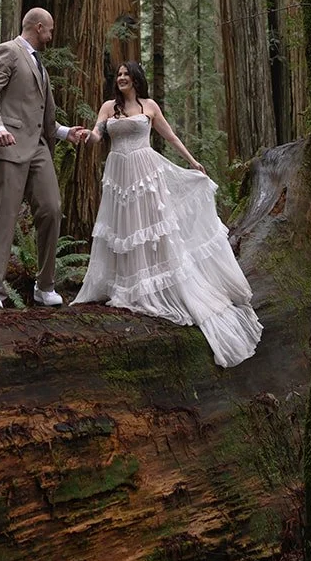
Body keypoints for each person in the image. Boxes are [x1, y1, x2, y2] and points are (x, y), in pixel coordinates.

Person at [72, 62, 262, 368]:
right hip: (119, 174)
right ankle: (128, 284)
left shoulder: (149, 106)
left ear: (136, 79)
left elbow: (171, 137)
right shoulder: (109, 107)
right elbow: (97, 134)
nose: (121, 79)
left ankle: (152, 284)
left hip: (146, 173)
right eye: (118, 76)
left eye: (126, 75)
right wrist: (86, 136)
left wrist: (193, 162)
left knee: (149, 227)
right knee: (124, 229)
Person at [0, 7, 88, 310]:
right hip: (6, 144)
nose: (51, 35)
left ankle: (44, 286)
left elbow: (38, 112)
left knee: (51, 208)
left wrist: (64, 133)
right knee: (5, 215)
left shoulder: (39, 64)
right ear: (38, 27)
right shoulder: (7, 52)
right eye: (49, 30)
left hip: (37, 147)